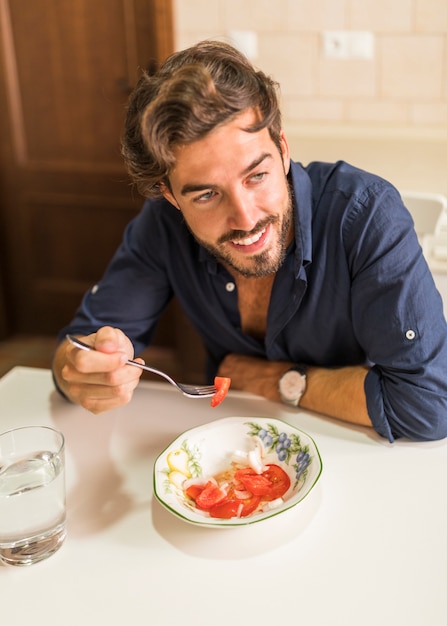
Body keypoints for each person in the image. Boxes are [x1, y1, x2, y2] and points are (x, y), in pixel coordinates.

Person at [53, 39, 447, 442]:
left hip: (354, 443)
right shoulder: (162, 225)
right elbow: (77, 350)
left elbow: (428, 404)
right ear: (170, 196)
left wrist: (273, 379)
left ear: (282, 149)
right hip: (232, 456)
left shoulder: (366, 216)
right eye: (207, 195)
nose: (246, 218)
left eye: (257, 175)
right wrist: (81, 370)